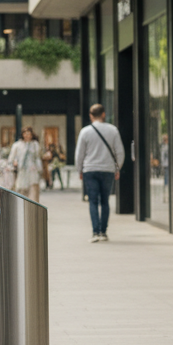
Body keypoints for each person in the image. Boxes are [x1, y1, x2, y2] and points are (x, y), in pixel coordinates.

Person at [74, 103, 125, 243]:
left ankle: (95, 232)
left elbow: (79, 154)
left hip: (90, 170)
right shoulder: (113, 130)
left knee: (93, 201)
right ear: (103, 114)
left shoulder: (85, 131)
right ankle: (104, 232)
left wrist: (80, 170)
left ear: (91, 116)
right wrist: (117, 168)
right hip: (107, 170)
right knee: (105, 201)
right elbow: (120, 152)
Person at [9, 126, 42, 203]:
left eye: (29, 134)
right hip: (22, 170)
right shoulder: (17, 145)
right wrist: (14, 162)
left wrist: (39, 169)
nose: (27, 136)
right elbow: (12, 157)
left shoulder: (35, 144)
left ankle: (33, 206)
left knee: (33, 189)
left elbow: (37, 157)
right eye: (25, 134)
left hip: (32, 170)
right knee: (21, 189)